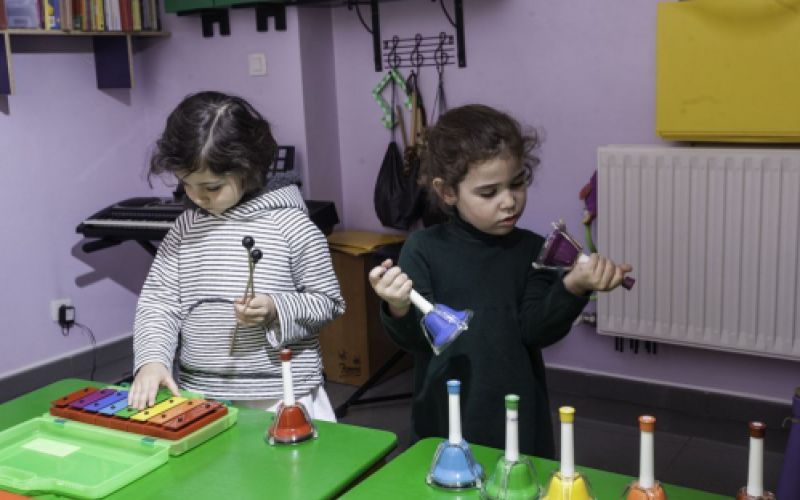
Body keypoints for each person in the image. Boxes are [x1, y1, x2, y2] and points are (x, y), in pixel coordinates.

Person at [368, 104, 633, 457]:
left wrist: (573, 286)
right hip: (444, 416)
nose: (509, 201)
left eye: (517, 183)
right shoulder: (424, 248)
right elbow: (416, 339)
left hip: (518, 416)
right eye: (488, 192)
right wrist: (398, 307)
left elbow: (536, 331)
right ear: (447, 192)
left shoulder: (533, 250)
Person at [128, 91, 345, 421]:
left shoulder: (291, 225)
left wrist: (275, 308)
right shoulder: (185, 228)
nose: (197, 197)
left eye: (212, 187)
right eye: (187, 184)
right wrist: (152, 360)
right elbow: (160, 303)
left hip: (283, 394)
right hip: (202, 393)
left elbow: (328, 302)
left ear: (247, 168)